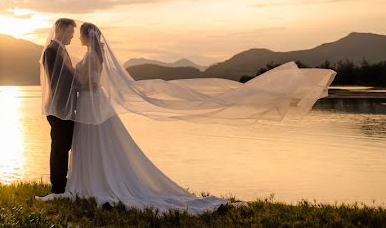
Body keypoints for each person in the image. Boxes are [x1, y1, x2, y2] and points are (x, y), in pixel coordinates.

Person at [38, 21, 336, 214]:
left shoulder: (90, 58)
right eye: (72, 32)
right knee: (92, 147)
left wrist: (78, 82)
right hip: (88, 107)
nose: (76, 37)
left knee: (96, 146)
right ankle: (84, 181)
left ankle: (91, 182)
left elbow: (86, 82)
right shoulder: (76, 54)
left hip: (90, 104)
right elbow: (73, 81)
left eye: (79, 33)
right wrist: (76, 82)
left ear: (89, 36)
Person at [36, 18, 79, 200]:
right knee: (60, 147)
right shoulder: (51, 51)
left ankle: (63, 182)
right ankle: (58, 187)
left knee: (65, 145)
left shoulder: (61, 50)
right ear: (60, 30)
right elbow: (58, 80)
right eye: (70, 32)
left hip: (65, 106)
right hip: (58, 108)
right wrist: (80, 81)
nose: (72, 36)